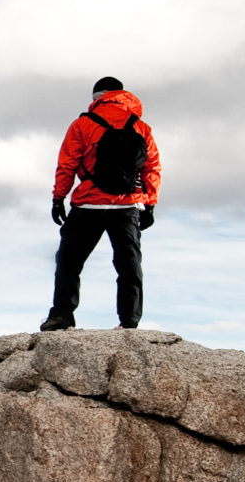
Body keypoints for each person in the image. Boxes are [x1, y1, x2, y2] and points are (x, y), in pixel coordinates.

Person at [40, 77, 161, 332]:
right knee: (129, 265)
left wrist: (58, 198)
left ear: (97, 97)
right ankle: (129, 321)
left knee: (68, 262)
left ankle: (61, 315)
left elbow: (67, 164)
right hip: (127, 206)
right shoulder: (141, 127)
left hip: (88, 205)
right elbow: (151, 168)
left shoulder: (82, 124)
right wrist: (149, 205)